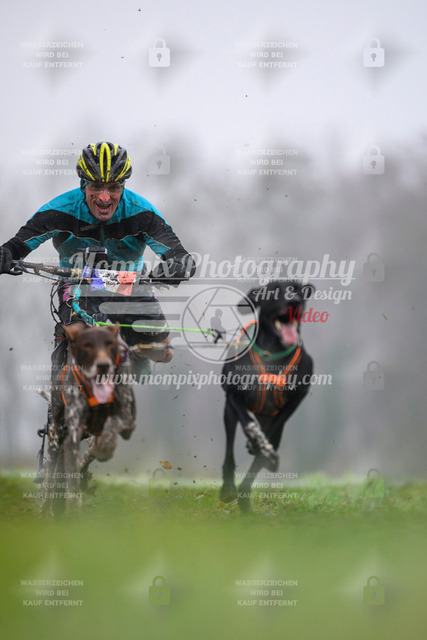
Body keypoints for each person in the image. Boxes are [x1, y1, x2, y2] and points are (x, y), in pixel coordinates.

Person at [0, 141, 195, 379]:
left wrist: (177, 266)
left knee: (163, 354)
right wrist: (6, 255)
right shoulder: (60, 210)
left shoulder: (142, 213)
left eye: (113, 187)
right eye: (96, 186)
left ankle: (136, 352)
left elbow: (180, 256)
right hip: (78, 283)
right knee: (80, 338)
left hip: (126, 283)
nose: (104, 197)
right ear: (83, 184)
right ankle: (61, 384)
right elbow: (17, 246)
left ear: (123, 186)